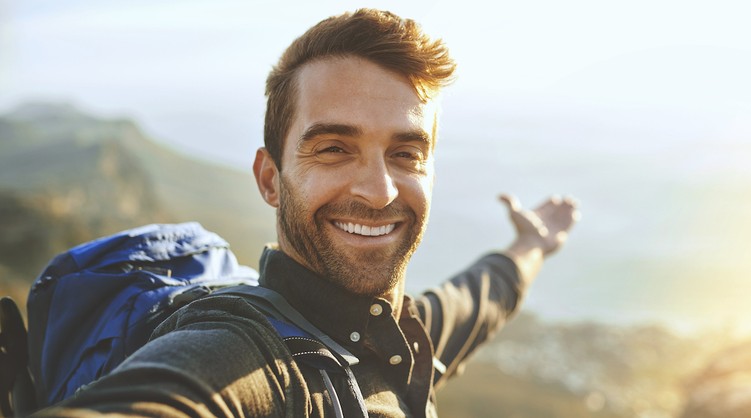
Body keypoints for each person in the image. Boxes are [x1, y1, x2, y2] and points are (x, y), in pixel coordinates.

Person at [35, 8, 578, 417]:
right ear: (271, 179)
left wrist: (530, 248)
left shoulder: (402, 340)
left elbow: (478, 298)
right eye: (335, 148)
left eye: (406, 153)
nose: (379, 190)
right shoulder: (244, 354)